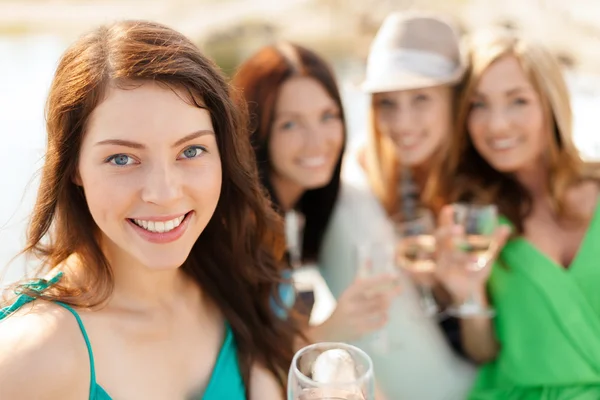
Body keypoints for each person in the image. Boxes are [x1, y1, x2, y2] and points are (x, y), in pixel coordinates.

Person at [0, 20, 296, 400]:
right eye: (122, 158)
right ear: (73, 167)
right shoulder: (34, 356)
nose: (165, 193)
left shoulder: (231, 278)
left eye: (191, 151)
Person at [435, 28, 600, 399]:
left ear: (550, 104)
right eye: (478, 104)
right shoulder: (475, 221)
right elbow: (485, 352)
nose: (497, 125)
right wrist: (471, 293)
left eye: (518, 101)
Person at [319, 11, 476, 399]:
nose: (402, 123)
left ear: (455, 101)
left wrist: (452, 289)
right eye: (387, 103)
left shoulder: (481, 187)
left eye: (421, 98)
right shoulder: (356, 185)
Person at [232, 42, 400, 345]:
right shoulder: (240, 227)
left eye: (327, 116)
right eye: (290, 124)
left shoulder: (292, 211)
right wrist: (328, 332)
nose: (317, 141)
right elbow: (238, 355)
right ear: (254, 133)